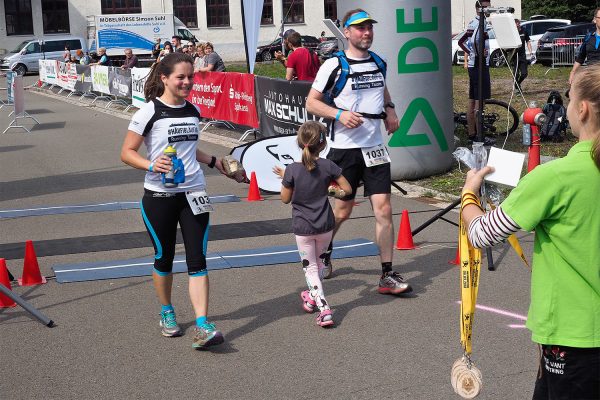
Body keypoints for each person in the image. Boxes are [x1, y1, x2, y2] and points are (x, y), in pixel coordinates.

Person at [460, 64, 600, 400]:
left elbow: (482, 233)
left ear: (581, 108)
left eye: (569, 98)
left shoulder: (557, 177)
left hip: (574, 335)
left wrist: (469, 194)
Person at [120, 52, 234, 349]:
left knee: (198, 259)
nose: (187, 82)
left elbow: (189, 148)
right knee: (164, 257)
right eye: (181, 77)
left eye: (191, 77)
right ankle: (167, 311)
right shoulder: (148, 112)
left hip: (194, 193)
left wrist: (214, 161)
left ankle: (202, 324)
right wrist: (151, 165)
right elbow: (127, 152)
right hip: (159, 196)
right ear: (165, 78)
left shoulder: (193, 111)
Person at [306, 9, 412, 295]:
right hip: (344, 151)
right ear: (347, 32)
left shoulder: (379, 62)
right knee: (342, 212)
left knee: (384, 209)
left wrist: (390, 110)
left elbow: (382, 90)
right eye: (360, 28)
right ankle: (325, 251)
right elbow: (312, 103)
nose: (366, 33)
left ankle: (387, 274)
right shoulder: (334, 65)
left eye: (369, 28)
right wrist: (339, 115)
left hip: (374, 149)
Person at [274, 121, 352, 327]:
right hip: (326, 224)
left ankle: (324, 309)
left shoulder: (292, 169)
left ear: (299, 143)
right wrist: (327, 189)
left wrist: (286, 179)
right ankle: (310, 297)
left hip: (303, 227)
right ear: (323, 143)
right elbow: (347, 189)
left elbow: (285, 199)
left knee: (310, 268)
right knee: (318, 265)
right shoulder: (329, 166)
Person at [458, 0, 494, 145]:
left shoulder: (477, 22)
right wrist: (477, 53)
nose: (487, 10)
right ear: (478, 8)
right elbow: (466, 41)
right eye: (485, 7)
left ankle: (472, 134)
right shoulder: (479, 23)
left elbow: (462, 41)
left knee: (472, 100)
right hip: (479, 65)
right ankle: (479, 136)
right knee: (479, 101)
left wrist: (472, 52)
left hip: (476, 65)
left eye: (488, 7)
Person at [569, 7, 600, 84]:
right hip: (590, 77)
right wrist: (572, 72)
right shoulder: (589, 36)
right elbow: (581, 57)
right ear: (595, 19)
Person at [512, 19, 533, 92]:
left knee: (524, 73)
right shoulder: (512, 32)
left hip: (522, 55)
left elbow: (528, 42)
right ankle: (517, 87)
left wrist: (530, 52)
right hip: (515, 56)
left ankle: (517, 83)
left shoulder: (524, 31)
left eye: (517, 23)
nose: (517, 25)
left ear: (519, 23)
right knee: (516, 74)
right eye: (515, 24)